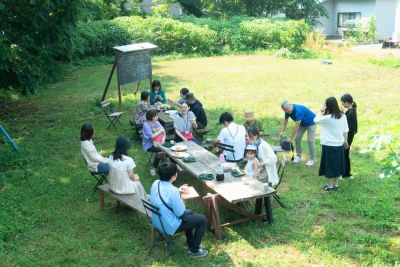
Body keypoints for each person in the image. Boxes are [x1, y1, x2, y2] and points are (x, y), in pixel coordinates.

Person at [150, 162, 208, 257]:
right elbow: (180, 213)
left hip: (157, 220)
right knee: (202, 220)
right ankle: (195, 251)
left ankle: (191, 243)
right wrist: (182, 198)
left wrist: (178, 191)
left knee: (190, 213)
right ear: (173, 176)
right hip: (169, 225)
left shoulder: (156, 183)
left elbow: (166, 194)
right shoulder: (173, 192)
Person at [314, 97, 349, 192]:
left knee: (330, 166)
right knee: (338, 165)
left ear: (328, 106)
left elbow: (316, 120)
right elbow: (346, 130)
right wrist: (346, 141)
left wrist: (322, 109)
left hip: (329, 145)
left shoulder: (327, 118)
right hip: (339, 144)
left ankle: (330, 186)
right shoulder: (343, 115)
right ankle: (336, 184)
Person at [280, 100, 316, 166]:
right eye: (284, 110)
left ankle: (312, 159)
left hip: (311, 122)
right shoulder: (287, 110)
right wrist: (283, 131)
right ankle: (298, 156)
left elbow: (296, 127)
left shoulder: (298, 111)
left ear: (290, 105)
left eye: (286, 109)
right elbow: (285, 120)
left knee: (310, 141)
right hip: (302, 124)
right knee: (297, 139)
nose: (286, 111)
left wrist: (290, 138)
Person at [142, 109, 166, 176]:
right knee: (160, 151)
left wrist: (163, 140)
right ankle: (154, 168)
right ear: (151, 117)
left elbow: (164, 132)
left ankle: (170, 165)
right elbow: (152, 137)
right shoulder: (146, 125)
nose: (157, 117)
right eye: (156, 116)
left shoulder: (157, 122)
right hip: (149, 144)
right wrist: (160, 131)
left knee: (168, 149)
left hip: (159, 142)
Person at [341, 94, 358, 179]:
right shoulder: (351, 111)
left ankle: (346, 173)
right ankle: (345, 172)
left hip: (347, 137)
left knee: (344, 154)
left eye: (343, 102)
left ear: (347, 102)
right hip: (348, 136)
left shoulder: (351, 113)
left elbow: (345, 123)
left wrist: (345, 140)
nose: (342, 104)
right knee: (344, 154)